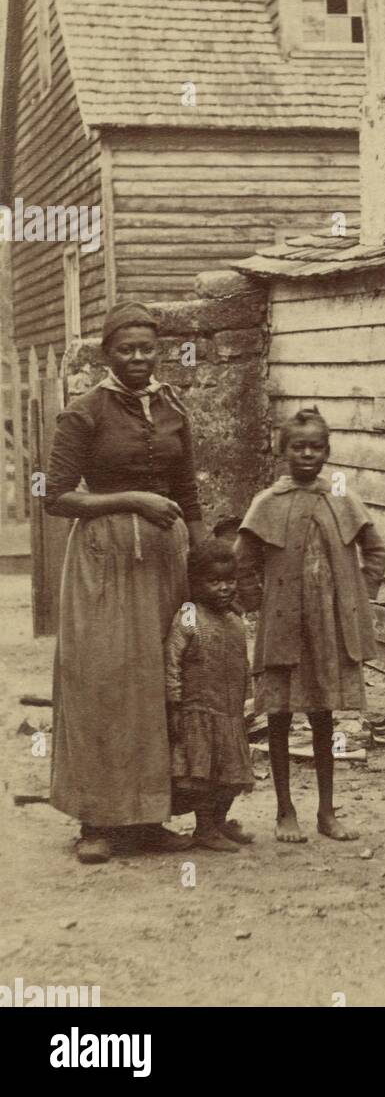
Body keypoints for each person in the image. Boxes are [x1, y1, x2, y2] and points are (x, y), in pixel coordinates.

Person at [44, 301, 204, 863]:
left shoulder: (171, 407)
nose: (138, 358)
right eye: (126, 349)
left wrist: (201, 557)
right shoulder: (84, 412)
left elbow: (188, 491)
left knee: (161, 682)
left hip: (165, 560)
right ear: (106, 354)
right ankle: (96, 820)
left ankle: (148, 816)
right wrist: (130, 500)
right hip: (103, 562)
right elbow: (56, 497)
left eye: (146, 349)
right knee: (104, 681)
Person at [235, 408, 385, 843]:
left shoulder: (340, 495)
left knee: (324, 719)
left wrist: (360, 596)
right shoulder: (267, 502)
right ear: (282, 451)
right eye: (298, 446)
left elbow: (375, 551)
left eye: (316, 447)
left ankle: (326, 811)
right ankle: (285, 811)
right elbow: (242, 562)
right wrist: (256, 604)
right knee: (280, 718)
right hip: (283, 627)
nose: (307, 455)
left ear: (327, 450)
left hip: (329, 630)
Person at [164, 539, 254, 852]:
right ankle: (204, 828)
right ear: (196, 583)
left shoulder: (234, 619)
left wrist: (248, 700)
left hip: (229, 713)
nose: (225, 588)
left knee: (230, 776)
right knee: (204, 776)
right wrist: (175, 704)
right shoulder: (190, 615)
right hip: (198, 713)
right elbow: (172, 661)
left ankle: (218, 822)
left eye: (230, 580)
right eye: (214, 582)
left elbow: (243, 662)